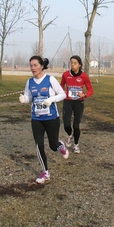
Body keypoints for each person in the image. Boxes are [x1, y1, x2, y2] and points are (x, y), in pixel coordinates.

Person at [19, 56, 68, 184]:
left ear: (41, 66)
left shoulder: (50, 79)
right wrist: (24, 99)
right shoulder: (29, 82)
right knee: (39, 144)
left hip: (51, 118)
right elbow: (28, 97)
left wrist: (51, 100)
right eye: (31, 65)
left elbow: (63, 94)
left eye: (35, 65)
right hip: (36, 118)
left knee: (52, 145)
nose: (33, 68)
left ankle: (60, 146)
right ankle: (45, 172)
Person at [60, 55, 93, 154]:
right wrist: (60, 93)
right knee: (66, 124)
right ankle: (69, 135)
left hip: (79, 102)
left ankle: (76, 145)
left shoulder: (84, 76)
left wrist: (84, 95)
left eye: (75, 63)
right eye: (71, 63)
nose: (73, 65)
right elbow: (61, 86)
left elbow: (90, 90)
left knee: (76, 125)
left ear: (79, 65)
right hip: (68, 101)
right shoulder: (65, 75)